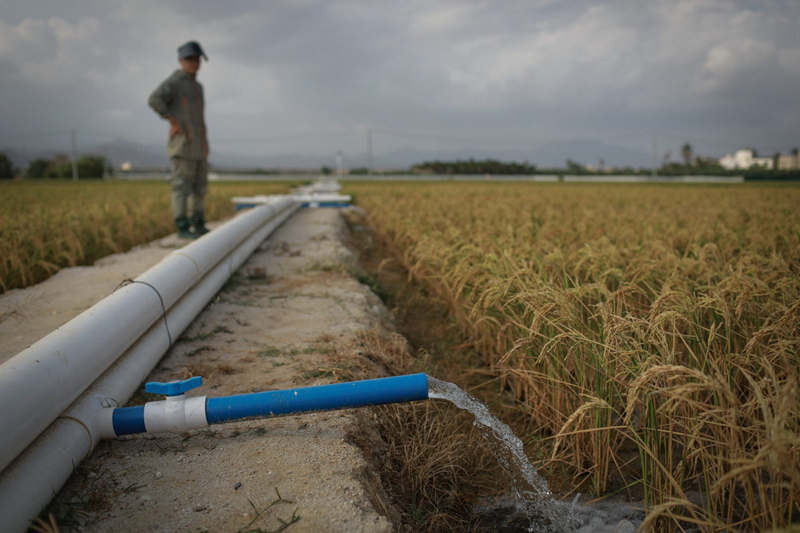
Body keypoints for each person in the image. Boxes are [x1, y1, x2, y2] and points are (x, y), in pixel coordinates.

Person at [148, 40, 210, 239]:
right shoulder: (175, 83)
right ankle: (182, 226)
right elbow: (154, 100)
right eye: (190, 59)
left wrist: (205, 143)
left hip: (199, 146)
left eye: (197, 59)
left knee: (200, 187)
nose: (194, 63)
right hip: (182, 145)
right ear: (182, 61)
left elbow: (200, 119)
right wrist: (172, 121)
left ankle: (198, 223)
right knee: (181, 187)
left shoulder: (197, 87)